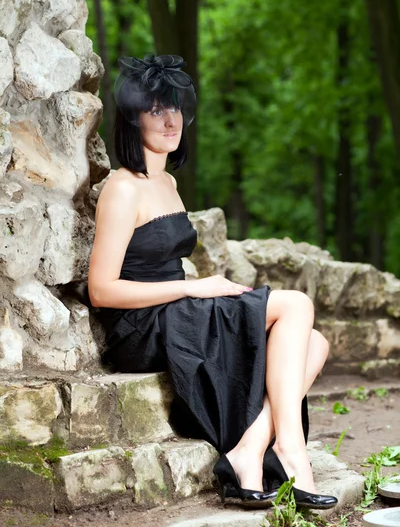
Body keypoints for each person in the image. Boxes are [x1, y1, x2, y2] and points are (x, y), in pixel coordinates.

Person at [88, 54, 338, 510]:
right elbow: (101, 289)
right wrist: (192, 287)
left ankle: (248, 449)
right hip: (141, 327)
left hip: (173, 312)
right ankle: (291, 451)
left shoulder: (167, 184)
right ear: (132, 119)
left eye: (176, 108)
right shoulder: (122, 188)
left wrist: (198, 289)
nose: (171, 120)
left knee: (315, 344)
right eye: (156, 110)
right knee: (297, 304)